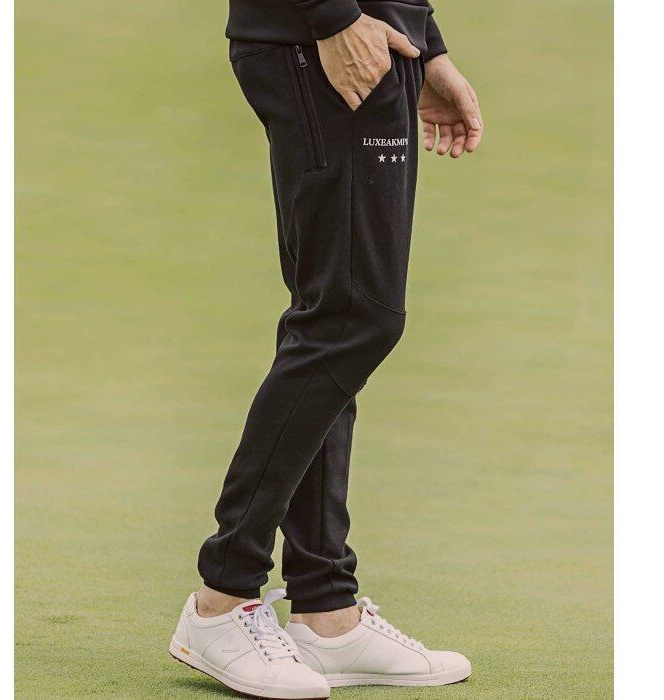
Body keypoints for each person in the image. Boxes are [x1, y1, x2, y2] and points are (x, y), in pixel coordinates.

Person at [169, 1, 484, 697]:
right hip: (324, 37)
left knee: (335, 318)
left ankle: (327, 613)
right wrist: (333, 14)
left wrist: (426, 43)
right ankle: (222, 598)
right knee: (350, 319)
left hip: (376, 38)